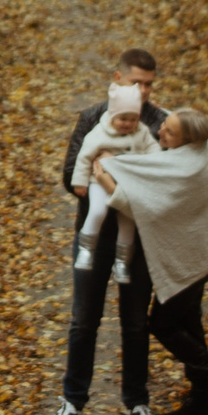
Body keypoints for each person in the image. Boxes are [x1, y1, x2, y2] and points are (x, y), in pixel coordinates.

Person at [97, 108, 208, 415]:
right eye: (164, 124)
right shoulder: (194, 150)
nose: (160, 131)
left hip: (191, 256)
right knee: (190, 325)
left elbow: (150, 207)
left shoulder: (189, 166)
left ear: (187, 140)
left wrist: (108, 179)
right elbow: (153, 171)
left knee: (163, 324)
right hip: (195, 251)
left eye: (169, 131)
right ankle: (202, 401)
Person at [51, 49, 167, 415]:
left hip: (141, 235)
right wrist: (99, 178)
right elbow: (71, 174)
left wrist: (111, 178)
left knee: (135, 321)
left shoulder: (162, 124)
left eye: (150, 83)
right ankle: (73, 400)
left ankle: (136, 400)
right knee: (84, 319)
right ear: (117, 78)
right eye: (137, 82)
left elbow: (164, 183)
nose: (144, 90)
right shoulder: (92, 118)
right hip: (96, 231)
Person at [70, 83, 159, 282]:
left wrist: (153, 161)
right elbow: (84, 157)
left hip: (128, 186)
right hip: (99, 181)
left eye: (133, 119)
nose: (128, 123)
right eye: (123, 118)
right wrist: (80, 182)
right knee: (98, 211)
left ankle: (122, 262)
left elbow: (154, 152)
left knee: (128, 222)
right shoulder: (99, 134)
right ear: (112, 116)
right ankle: (86, 249)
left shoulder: (142, 133)